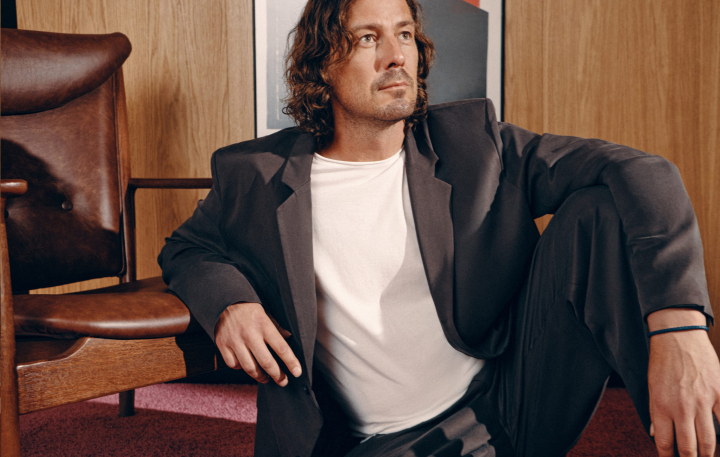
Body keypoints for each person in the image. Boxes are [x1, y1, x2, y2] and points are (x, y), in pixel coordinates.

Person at [158, 0, 720, 455]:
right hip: (389, 442)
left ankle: (694, 438)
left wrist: (680, 329)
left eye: (404, 34)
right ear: (323, 64)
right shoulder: (258, 175)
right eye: (368, 38)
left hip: (513, 395)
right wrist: (232, 304)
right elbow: (188, 249)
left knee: (597, 213)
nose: (396, 56)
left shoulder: (472, 144)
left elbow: (644, 171)